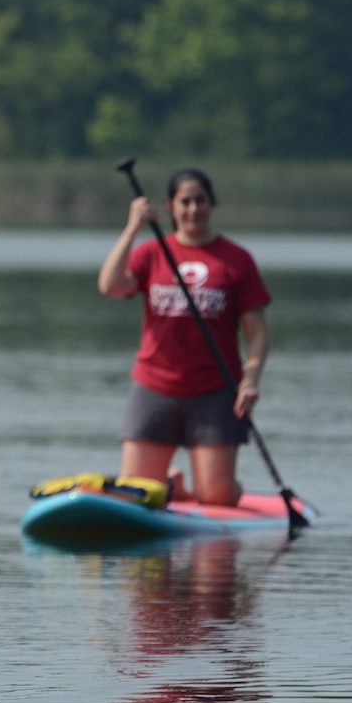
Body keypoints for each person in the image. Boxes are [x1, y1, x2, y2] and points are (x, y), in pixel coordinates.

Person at [97, 168, 271, 508]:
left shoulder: (236, 260)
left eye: (200, 201)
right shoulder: (152, 253)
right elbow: (110, 286)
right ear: (171, 207)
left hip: (215, 391)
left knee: (216, 496)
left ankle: (195, 490)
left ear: (212, 204)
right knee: (136, 493)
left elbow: (258, 332)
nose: (193, 209)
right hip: (155, 386)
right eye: (185, 202)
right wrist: (133, 227)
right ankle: (173, 485)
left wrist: (250, 381)